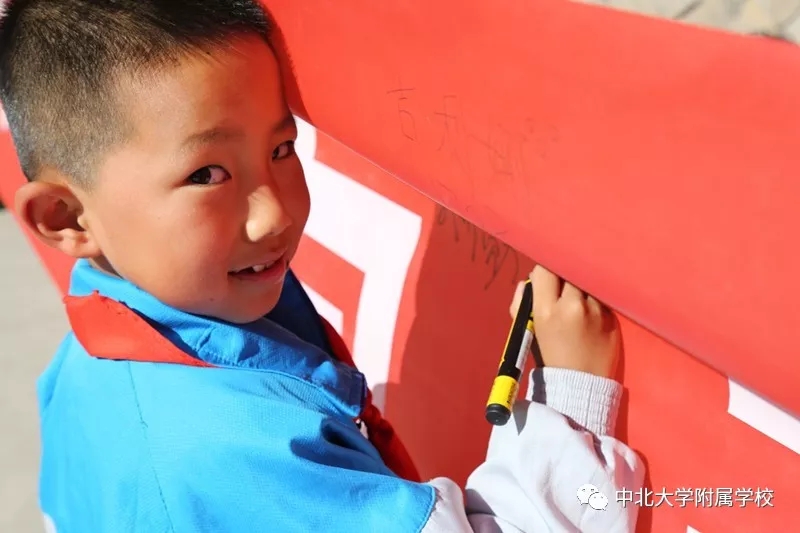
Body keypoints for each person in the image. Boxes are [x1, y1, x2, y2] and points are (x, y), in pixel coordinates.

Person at [0, 0, 645, 531]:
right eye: (207, 174)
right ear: (66, 217)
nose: (274, 214)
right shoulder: (238, 453)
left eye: (282, 148)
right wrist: (571, 403)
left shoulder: (86, 360)